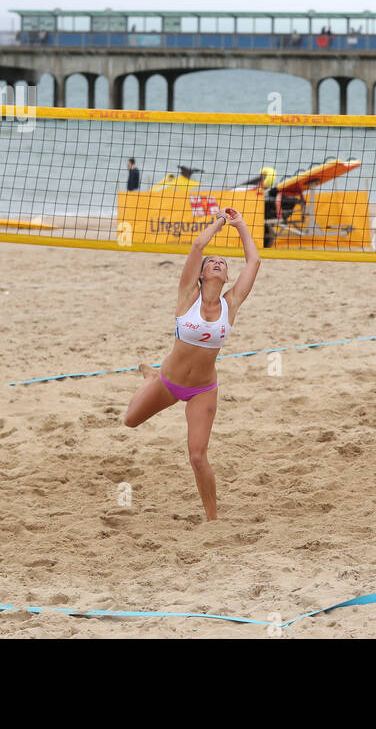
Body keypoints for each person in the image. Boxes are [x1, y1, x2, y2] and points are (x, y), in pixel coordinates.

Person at [123, 207, 261, 521]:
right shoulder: (188, 296)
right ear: (200, 274)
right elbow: (198, 247)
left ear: (226, 277)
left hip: (202, 390)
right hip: (168, 383)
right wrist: (222, 221)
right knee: (130, 421)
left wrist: (241, 226)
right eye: (212, 262)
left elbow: (254, 262)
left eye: (223, 263)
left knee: (197, 457)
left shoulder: (231, 303)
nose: (217, 263)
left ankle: (212, 521)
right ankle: (150, 378)